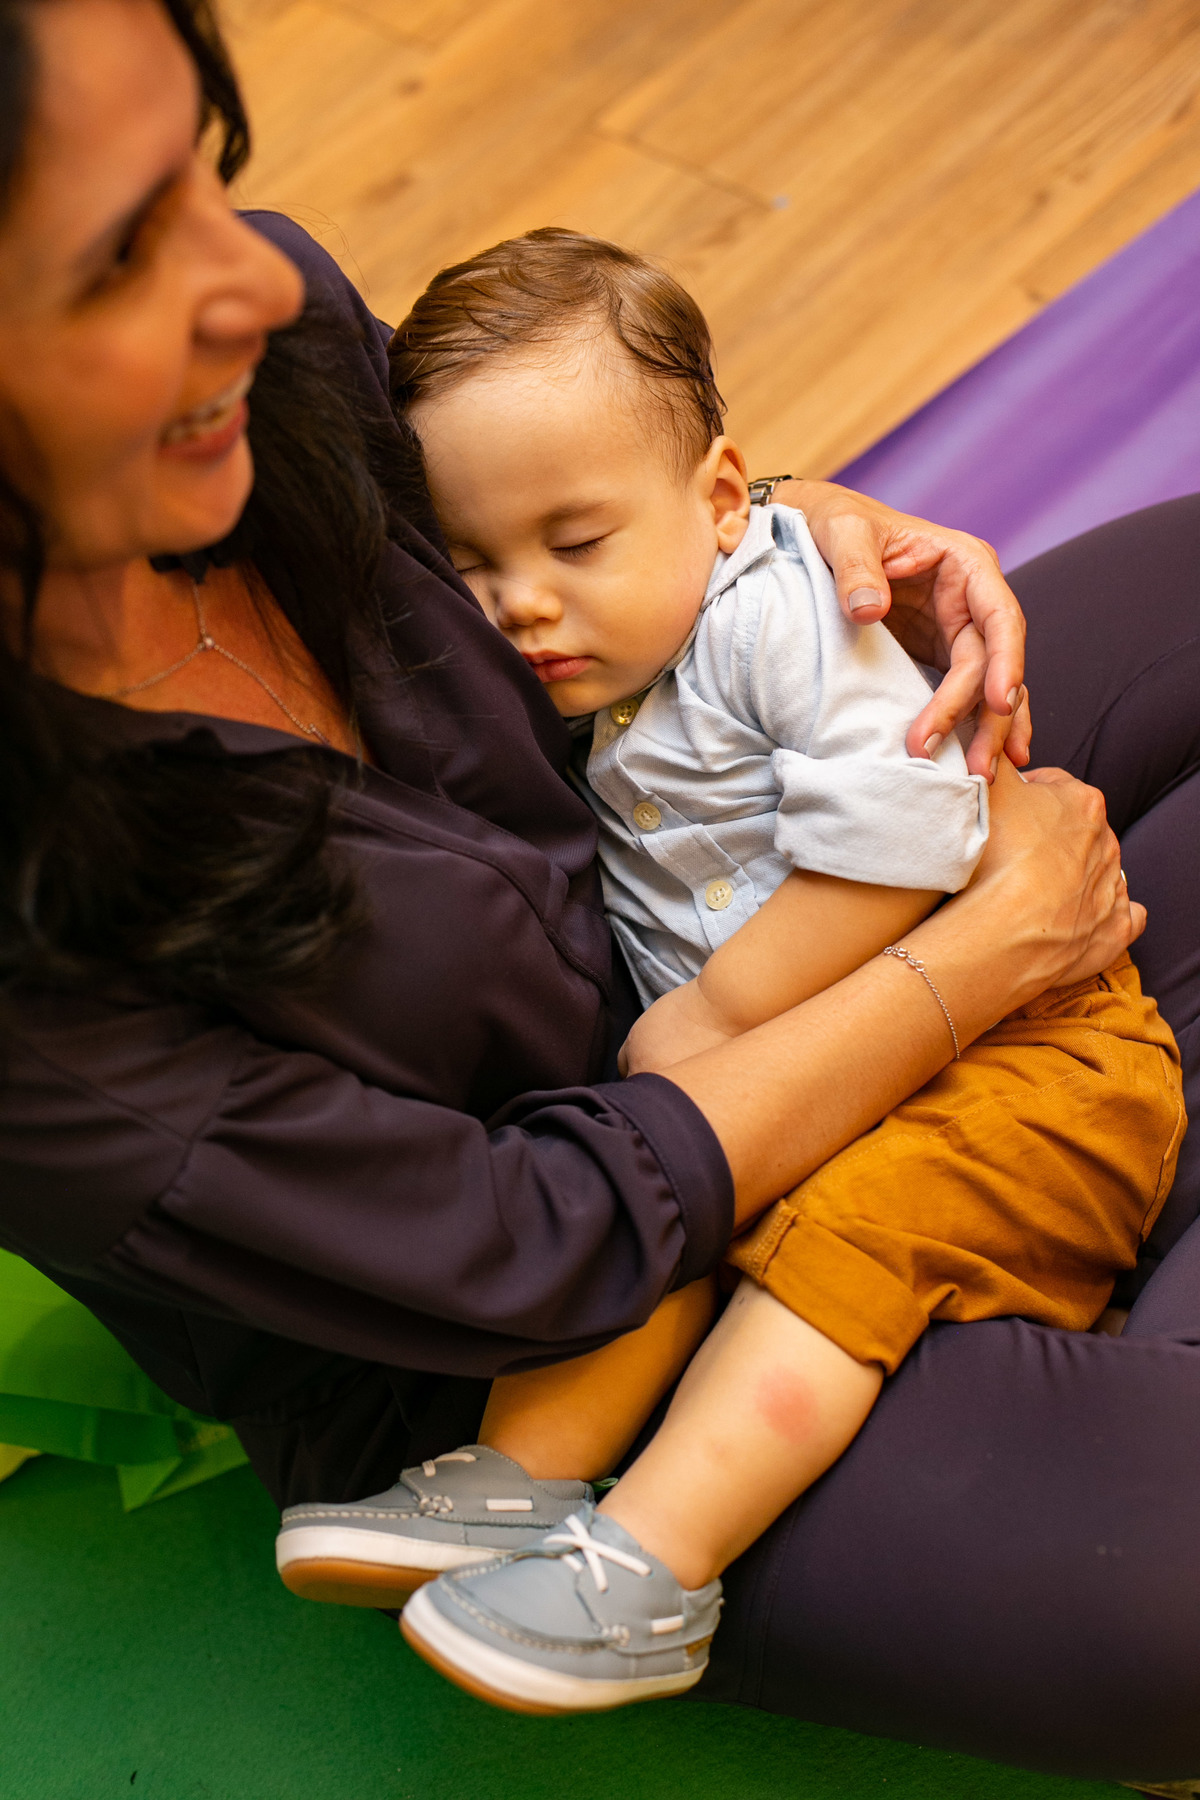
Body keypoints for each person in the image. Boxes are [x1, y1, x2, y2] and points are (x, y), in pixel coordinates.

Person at [0, 0, 1192, 1784]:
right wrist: (972, 961)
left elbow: (556, 480)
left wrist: (782, 530)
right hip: (542, 1337)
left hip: (733, 892)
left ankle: (1058, 1207)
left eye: (203, 177)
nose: (249, 275)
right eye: (117, 256)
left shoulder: (264, 343)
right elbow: (535, 1234)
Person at [268, 230, 1181, 1714]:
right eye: (473, 565)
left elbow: (904, 829)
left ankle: (650, 1564)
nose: (520, 605)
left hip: (1024, 1058)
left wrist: (723, 1012)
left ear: (717, 503)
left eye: (575, 545)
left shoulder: (773, 617)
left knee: (833, 1259)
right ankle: (514, 1477)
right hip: (816, 1071)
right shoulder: (596, 671)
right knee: (660, 1207)